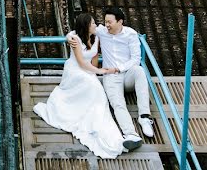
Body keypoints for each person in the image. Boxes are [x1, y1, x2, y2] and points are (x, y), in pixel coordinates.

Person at [33, 13, 140, 157]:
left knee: (98, 93)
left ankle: (115, 138)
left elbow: (94, 58)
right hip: (75, 70)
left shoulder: (96, 36)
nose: (97, 25)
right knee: (93, 87)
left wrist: (95, 74)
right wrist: (100, 71)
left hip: (89, 71)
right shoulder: (75, 39)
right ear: (86, 26)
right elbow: (81, 62)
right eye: (93, 24)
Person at [70, 6, 154, 149]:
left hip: (127, 74)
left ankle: (144, 117)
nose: (106, 25)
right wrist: (70, 38)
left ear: (120, 21)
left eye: (110, 22)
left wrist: (118, 68)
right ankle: (131, 134)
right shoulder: (102, 31)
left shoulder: (131, 34)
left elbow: (136, 58)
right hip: (110, 76)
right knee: (118, 103)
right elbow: (80, 28)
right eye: (105, 22)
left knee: (139, 70)